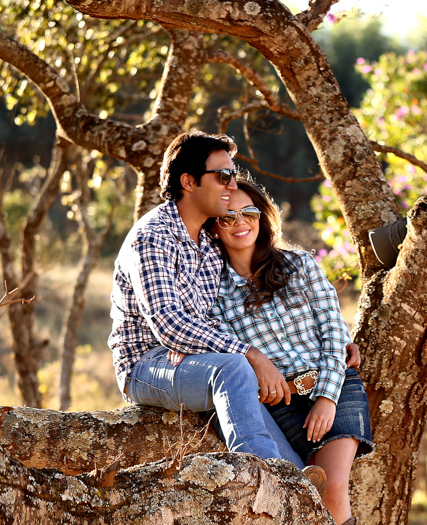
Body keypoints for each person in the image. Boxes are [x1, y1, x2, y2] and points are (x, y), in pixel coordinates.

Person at [204, 176, 378, 525]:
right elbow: (220, 348)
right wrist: (258, 361)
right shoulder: (211, 287)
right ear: (215, 227)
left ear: (264, 216)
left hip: (334, 388)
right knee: (303, 499)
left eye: (250, 214)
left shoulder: (299, 264)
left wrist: (325, 398)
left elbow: (333, 335)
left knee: (334, 487)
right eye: (228, 217)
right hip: (275, 405)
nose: (241, 224)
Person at [109, 131, 306, 467]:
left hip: (192, 361)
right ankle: (259, 473)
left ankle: (296, 484)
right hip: (145, 366)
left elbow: (226, 308)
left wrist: (339, 341)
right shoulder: (152, 236)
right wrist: (250, 354)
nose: (232, 184)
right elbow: (169, 324)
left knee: (241, 381)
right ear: (188, 181)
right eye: (222, 176)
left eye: (233, 175)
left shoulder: (210, 243)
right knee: (234, 367)